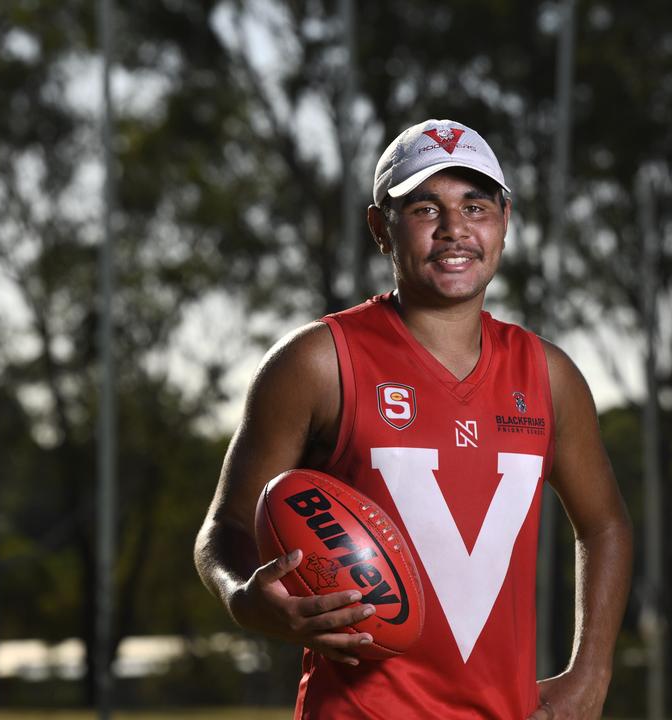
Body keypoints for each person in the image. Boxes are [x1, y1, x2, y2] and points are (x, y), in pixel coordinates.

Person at [194, 119, 632, 719]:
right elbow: (225, 527)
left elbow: (605, 524)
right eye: (426, 208)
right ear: (381, 228)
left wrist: (591, 672)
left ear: (505, 219)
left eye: (475, 206)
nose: (455, 230)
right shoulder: (318, 361)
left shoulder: (549, 376)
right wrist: (246, 597)